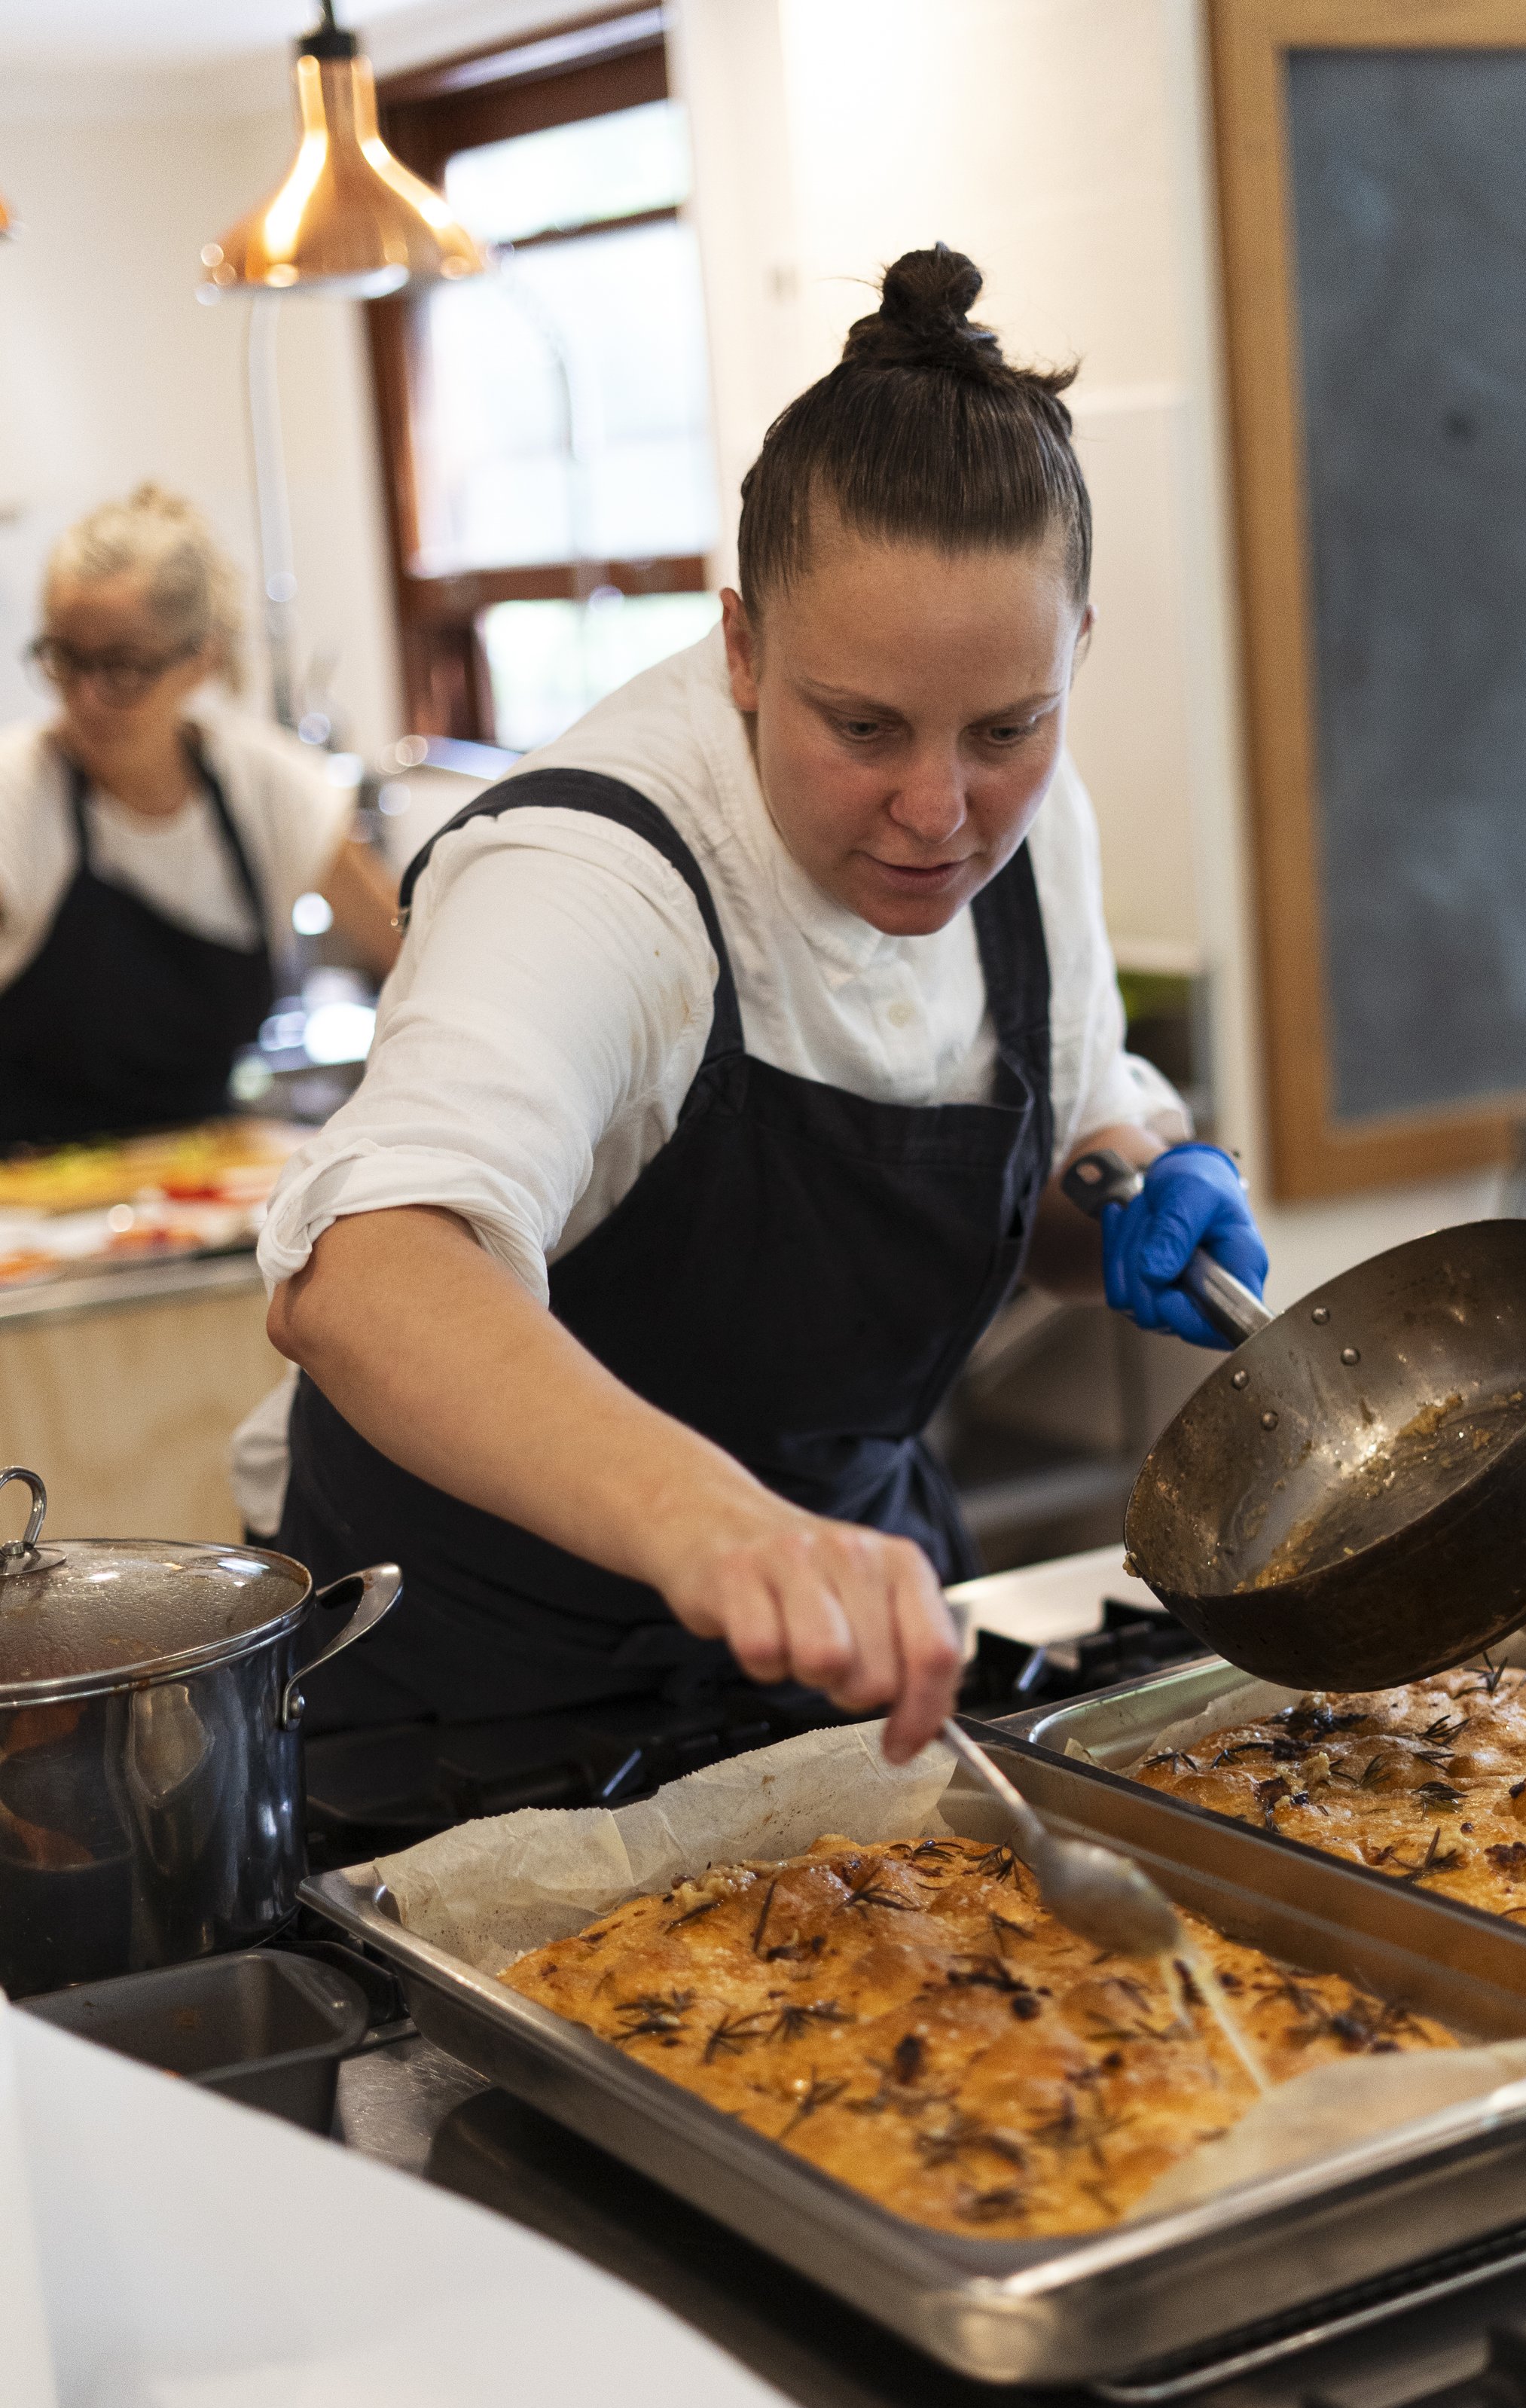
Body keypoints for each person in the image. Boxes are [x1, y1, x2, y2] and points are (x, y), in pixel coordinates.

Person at [258, 247, 1269, 1762]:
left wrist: (1123, 1185)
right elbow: (364, 1274)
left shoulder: (1030, 826)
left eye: (1007, 725)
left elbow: (1061, 1159)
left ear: (1073, 655)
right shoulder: (590, 871)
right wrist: (713, 1524)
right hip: (471, 1704)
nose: (939, 809)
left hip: (847, 1655)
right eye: (859, 727)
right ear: (740, 645)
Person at [0, 484, 398, 1147]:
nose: (86, 697)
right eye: (65, 659)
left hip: (201, 1188)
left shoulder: (269, 789)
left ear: (201, 659)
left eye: (123, 667)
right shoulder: (17, 797)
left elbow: (412, 957)